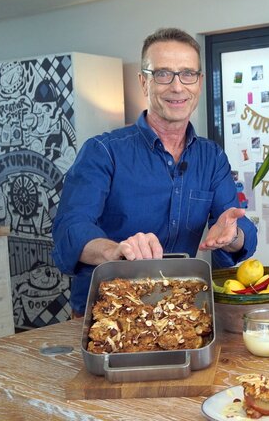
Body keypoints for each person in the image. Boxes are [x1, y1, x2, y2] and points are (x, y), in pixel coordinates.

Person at [52, 28, 257, 316]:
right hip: (106, 314)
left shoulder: (211, 157)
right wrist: (115, 251)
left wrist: (232, 236)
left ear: (199, 83)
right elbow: (70, 229)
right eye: (163, 74)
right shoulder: (103, 152)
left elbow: (238, 229)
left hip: (181, 312)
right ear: (144, 82)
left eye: (187, 74)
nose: (177, 87)